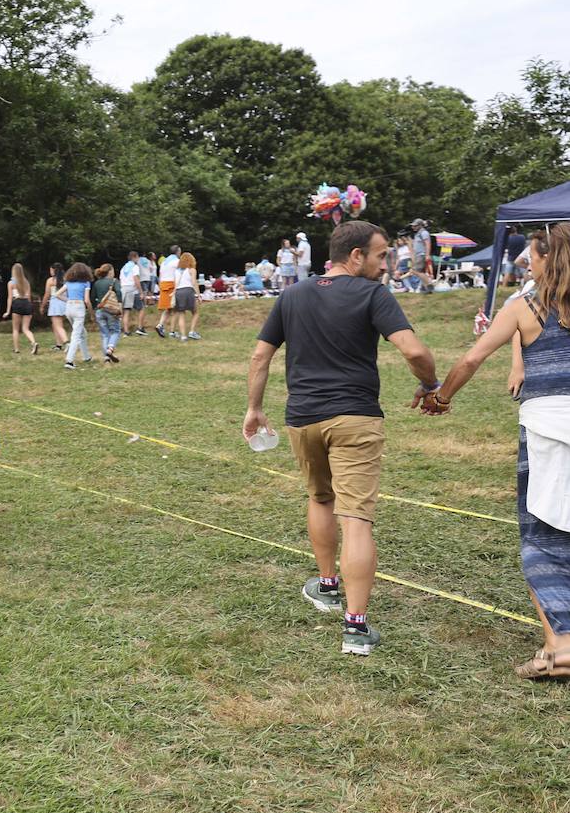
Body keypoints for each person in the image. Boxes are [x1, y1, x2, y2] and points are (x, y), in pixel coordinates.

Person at [243, 220, 440, 657]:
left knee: (320, 499)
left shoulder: (291, 294)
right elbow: (415, 351)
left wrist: (255, 409)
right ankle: (355, 626)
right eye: (381, 254)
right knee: (357, 519)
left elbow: (261, 354)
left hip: (303, 418)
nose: (386, 263)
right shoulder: (374, 294)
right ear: (355, 256)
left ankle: (327, 583)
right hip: (355, 418)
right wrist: (430, 386)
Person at [421, 224, 570, 679]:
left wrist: (440, 397)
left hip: (547, 431)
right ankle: (553, 647)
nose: (527, 261)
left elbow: (471, 359)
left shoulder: (524, 307)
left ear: (547, 257)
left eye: (531, 254)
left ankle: (561, 645)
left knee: (542, 535)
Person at [55, 262, 94, 369]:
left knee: (82, 333)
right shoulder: (86, 283)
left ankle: (86, 356)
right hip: (79, 308)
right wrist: (91, 313)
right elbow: (87, 300)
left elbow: (57, 294)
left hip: (69, 308)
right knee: (76, 335)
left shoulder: (68, 283)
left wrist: (68, 300)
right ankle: (69, 360)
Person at [3, 262, 38, 355]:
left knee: (15, 329)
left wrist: (7, 311)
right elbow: (29, 296)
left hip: (17, 303)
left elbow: (10, 297)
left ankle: (16, 349)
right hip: (27, 303)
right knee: (26, 328)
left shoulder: (11, 283)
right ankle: (33, 342)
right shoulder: (26, 282)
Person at [92, 263, 122, 364]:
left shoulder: (97, 283)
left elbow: (93, 298)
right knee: (115, 331)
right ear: (110, 271)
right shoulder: (114, 281)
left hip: (100, 310)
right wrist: (120, 307)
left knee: (105, 334)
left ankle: (106, 358)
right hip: (111, 310)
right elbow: (118, 293)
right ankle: (110, 349)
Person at [172, 251, 202, 341]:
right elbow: (193, 282)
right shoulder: (192, 270)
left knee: (181, 314)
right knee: (195, 312)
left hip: (178, 292)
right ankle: (192, 331)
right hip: (188, 291)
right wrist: (199, 295)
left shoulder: (177, 271)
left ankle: (183, 336)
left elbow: (175, 283)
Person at [154, 245, 181, 337]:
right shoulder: (177, 261)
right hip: (172, 285)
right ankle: (172, 332)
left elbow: (160, 275)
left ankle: (160, 325)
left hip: (163, 284)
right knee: (176, 309)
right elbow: (180, 274)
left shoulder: (164, 261)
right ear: (177, 252)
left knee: (168, 308)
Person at [42, 263, 68, 350]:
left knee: (58, 326)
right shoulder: (66, 279)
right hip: (65, 303)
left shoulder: (50, 281)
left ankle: (66, 342)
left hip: (55, 303)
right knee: (56, 325)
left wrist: (43, 305)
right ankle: (58, 344)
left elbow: (47, 294)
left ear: (54, 270)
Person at [121, 252, 146, 338]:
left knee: (126, 311)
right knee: (142, 308)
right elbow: (136, 280)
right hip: (133, 290)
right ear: (134, 257)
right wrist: (141, 292)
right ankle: (140, 328)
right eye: (138, 257)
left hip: (124, 289)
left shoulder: (124, 267)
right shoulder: (135, 267)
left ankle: (126, 331)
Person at [410, 219, 434, 293]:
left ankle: (429, 283)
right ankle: (426, 288)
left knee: (416, 271)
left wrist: (427, 255)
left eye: (415, 226)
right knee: (420, 271)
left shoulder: (424, 233)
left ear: (420, 226)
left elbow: (427, 244)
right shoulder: (418, 234)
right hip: (418, 255)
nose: (413, 227)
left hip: (422, 254)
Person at [138, 251, 157, 321]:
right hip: (148, 276)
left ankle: (145, 304)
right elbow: (151, 269)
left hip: (141, 277)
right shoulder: (148, 261)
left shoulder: (138, 260)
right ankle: (148, 303)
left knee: (144, 291)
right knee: (148, 290)